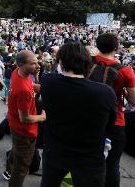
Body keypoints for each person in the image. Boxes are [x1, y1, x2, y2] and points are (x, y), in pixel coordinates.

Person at [40, 42, 117, 187]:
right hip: (89, 158)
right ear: (88, 63)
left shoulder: (48, 81)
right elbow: (110, 125)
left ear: (60, 61)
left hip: (55, 152)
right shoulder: (105, 92)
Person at [92, 33, 135, 187]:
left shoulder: (87, 63)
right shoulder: (125, 71)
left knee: (88, 159)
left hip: (88, 117)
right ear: (116, 47)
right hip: (114, 121)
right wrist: (125, 94)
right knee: (112, 164)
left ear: (97, 45)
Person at [3, 50, 46, 186]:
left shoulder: (18, 72)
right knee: (21, 169)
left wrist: (38, 86)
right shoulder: (23, 90)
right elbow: (25, 118)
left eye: (37, 62)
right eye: (33, 64)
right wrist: (42, 117)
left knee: (17, 149)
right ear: (21, 64)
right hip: (25, 131)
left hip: (15, 125)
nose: (37, 65)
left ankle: (8, 170)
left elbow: (30, 86)